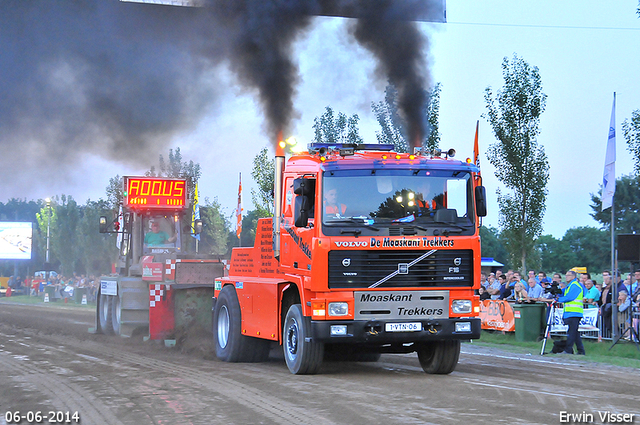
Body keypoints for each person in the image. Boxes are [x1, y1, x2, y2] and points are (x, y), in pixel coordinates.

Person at [555, 270, 585, 355]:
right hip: (571, 312)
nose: (566, 276)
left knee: (571, 333)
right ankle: (581, 350)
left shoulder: (575, 286)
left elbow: (569, 297)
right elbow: (562, 293)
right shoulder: (570, 286)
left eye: (568, 275)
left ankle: (568, 350)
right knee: (574, 333)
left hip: (574, 312)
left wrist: (558, 299)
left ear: (573, 277)